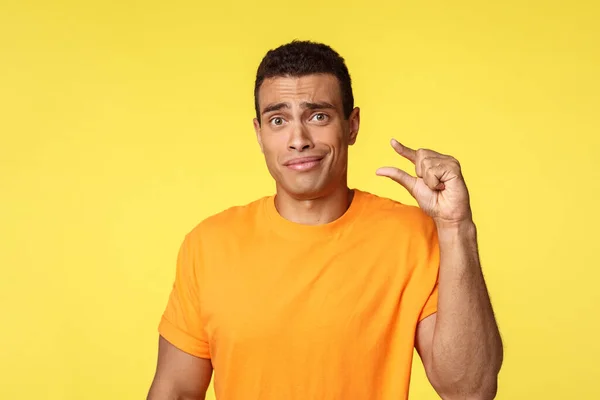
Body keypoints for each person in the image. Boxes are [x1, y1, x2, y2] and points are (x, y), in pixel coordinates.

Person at [147, 40, 503, 400]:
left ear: (352, 125)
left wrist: (457, 227)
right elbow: (175, 390)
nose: (298, 139)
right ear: (259, 133)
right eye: (278, 119)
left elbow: (469, 390)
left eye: (318, 116)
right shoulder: (208, 245)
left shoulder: (412, 236)